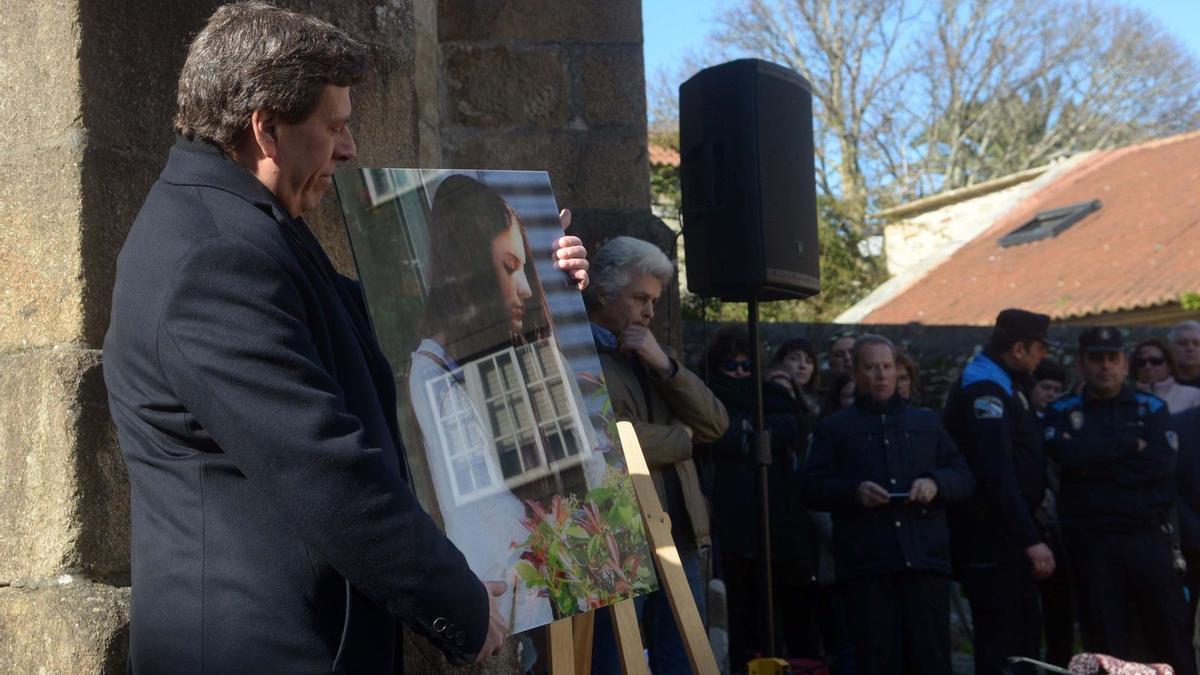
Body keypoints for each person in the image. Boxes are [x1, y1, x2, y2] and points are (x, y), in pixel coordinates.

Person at [101, 4, 591, 672]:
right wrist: (462, 606)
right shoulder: (211, 254)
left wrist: (542, 288)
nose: (351, 147)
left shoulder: (241, 220)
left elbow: (362, 324)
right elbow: (327, 470)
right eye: (334, 126)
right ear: (267, 130)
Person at [585, 236, 729, 674]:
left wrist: (665, 367)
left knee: (681, 663)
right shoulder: (580, 354)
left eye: (654, 300)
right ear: (604, 293)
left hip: (677, 538)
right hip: (620, 539)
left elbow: (716, 424)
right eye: (639, 298)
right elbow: (605, 440)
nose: (649, 311)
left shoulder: (651, 352)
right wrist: (681, 440)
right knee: (615, 662)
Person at [803, 335, 974, 675]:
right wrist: (854, 491)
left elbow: (963, 476)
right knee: (877, 660)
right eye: (870, 367)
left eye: (886, 367)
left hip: (924, 560)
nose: (880, 375)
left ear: (897, 371)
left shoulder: (926, 423)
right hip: (868, 566)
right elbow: (811, 487)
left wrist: (935, 484)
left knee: (930, 660)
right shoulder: (835, 428)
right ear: (855, 373)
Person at [1044, 328, 1195, 675]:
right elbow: (1066, 454)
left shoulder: (1151, 408)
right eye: (1097, 359)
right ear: (1082, 364)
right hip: (1093, 542)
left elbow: (1160, 465)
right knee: (1105, 641)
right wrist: (1128, 446)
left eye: (1113, 358)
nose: (1105, 367)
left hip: (1147, 537)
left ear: (1124, 363)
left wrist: (1092, 462)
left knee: (1168, 632)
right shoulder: (1063, 410)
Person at [943, 309, 1055, 675]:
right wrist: (1030, 538)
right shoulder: (984, 389)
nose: (1044, 357)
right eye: (1040, 348)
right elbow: (995, 473)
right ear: (1019, 349)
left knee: (1023, 639)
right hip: (992, 537)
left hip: (1007, 536)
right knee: (1001, 643)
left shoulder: (1005, 382)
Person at [704, 328, 820, 667]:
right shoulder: (712, 394)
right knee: (738, 611)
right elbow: (716, 431)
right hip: (732, 520)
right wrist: (751, 433)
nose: (740, 373)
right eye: (732, 367)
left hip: (775, 522)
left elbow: (791, 426)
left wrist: (750, 431)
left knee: (783, 612)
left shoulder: (770, 392)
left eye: (746, 366)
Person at [1029, 359, 1075, 668]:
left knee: (1061, 615)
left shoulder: (1064, 422)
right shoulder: (1023, 423)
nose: (1051, 395)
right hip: (1033, 528)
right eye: (1045, 388)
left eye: (1057, 390)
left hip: (1062, 529)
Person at [1134, 337, 1200, 413]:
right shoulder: (1128, 400)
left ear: (1169, 366)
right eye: (1141, 362)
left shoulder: (1194, 395)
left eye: (1156, 361)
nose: (1148, 366)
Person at [1170, 321, 1200, 388]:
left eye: (1196, 343)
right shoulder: (1159, 381)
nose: (1190, 348)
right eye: (1183, 343)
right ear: (1172, 348)